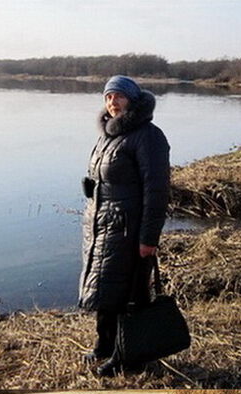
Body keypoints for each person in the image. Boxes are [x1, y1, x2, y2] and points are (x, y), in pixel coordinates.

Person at [79, 74, 171, 377]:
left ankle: (128, 355)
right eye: (108, 96)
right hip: (101, 225)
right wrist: (92, 187)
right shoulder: (108, 135)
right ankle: (105, 345)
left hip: (129, 229)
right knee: (107, 289)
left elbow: (156, 192)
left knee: (129, 294)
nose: (112, 101)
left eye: (118, 96)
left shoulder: (149, 136)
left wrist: (148, 238)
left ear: (132, 100)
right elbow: (108, 175)